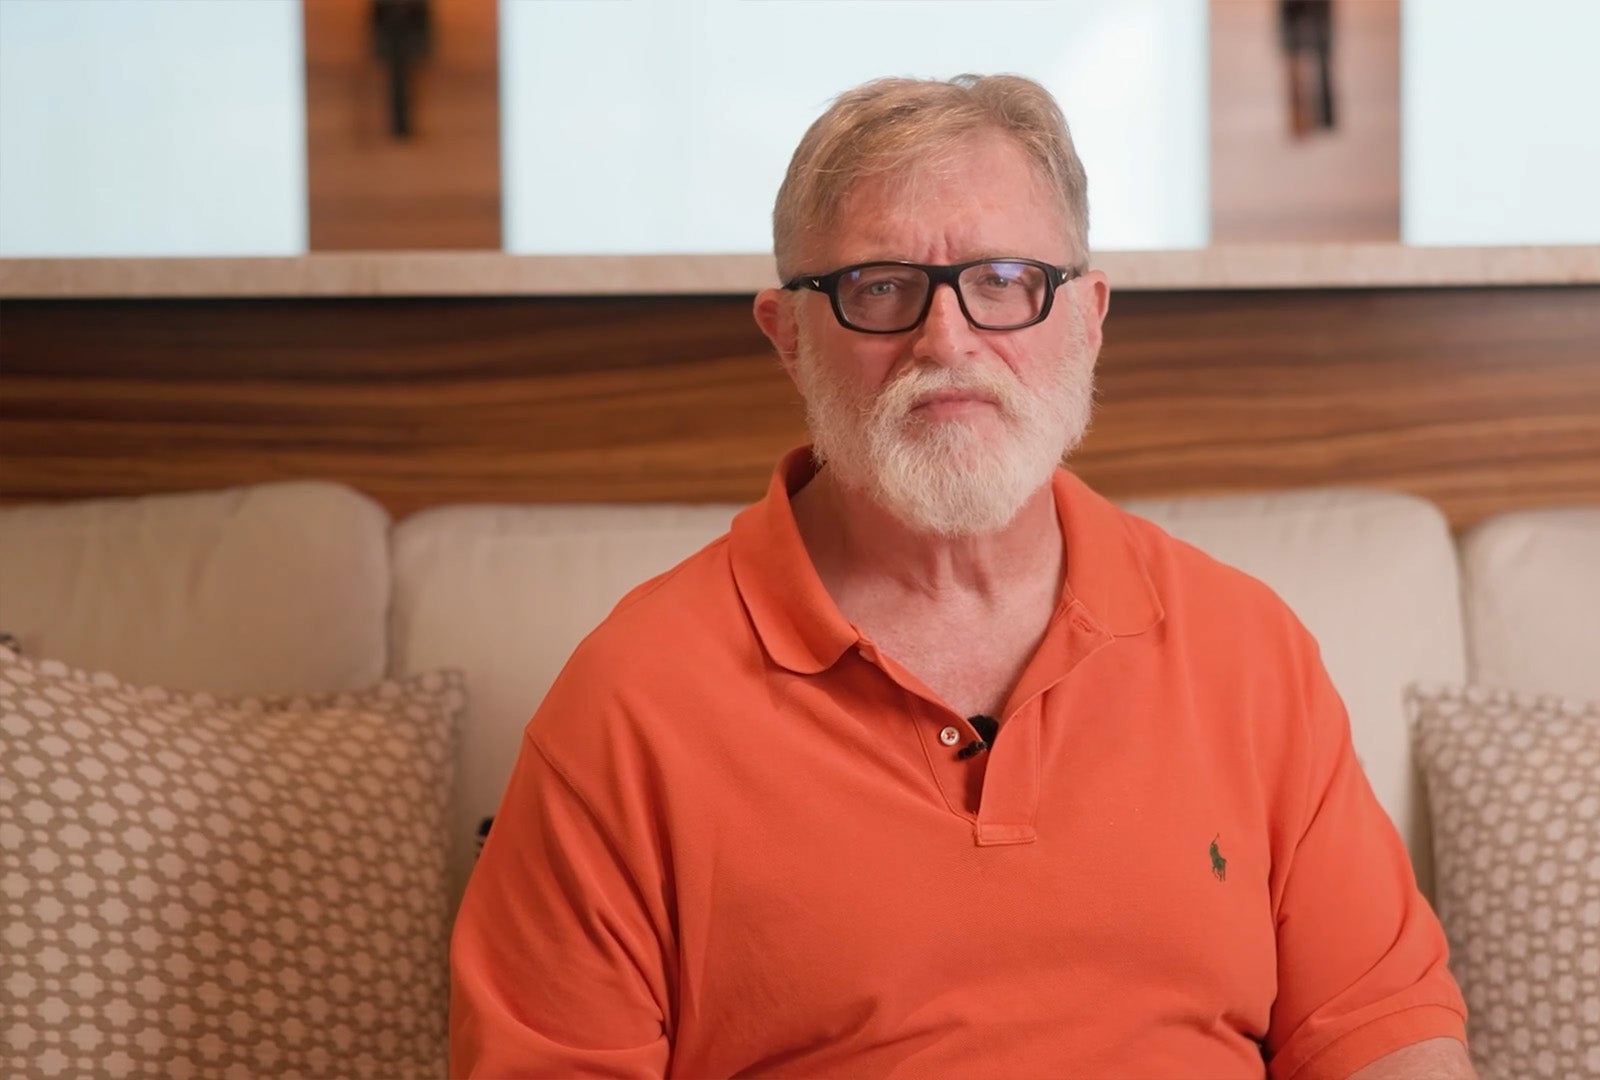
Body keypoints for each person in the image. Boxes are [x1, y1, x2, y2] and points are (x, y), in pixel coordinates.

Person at [449, 74, 1472, 1080]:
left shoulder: (1247, 651)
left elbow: (1380, 1028)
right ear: (789, 337)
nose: (947, 340)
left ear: (1088, 315)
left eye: (1004, 281)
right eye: (879, 288)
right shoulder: (629, 703)